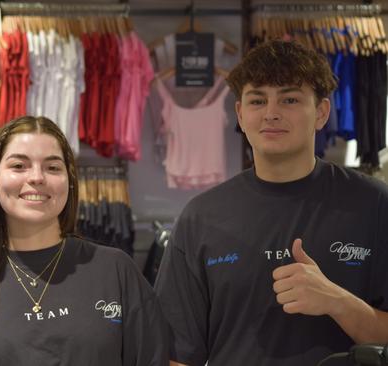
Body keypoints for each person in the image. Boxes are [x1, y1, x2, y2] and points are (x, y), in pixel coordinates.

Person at [154, 39, 388, 366]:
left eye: (289, 99)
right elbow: (177, 355)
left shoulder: (374, 205)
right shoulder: (201, 218)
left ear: (321, 113)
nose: (271, 113)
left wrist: (340, 303)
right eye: (257, 100)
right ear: (240, 113)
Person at [0, 116, 168, 365]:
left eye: (52, 167)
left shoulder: (115, 272)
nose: (36, 177)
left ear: (69, 181)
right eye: (19, 166)